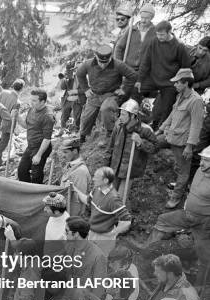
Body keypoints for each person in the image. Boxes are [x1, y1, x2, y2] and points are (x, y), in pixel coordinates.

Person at [144, 146, 210, 286]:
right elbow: (193, 190)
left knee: (204, 257)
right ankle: (145, 254)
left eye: (207, 161)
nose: (202, 163)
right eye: (202, 159)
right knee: (162, 220)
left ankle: (198, 290)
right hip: (188, 214)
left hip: (204, 222)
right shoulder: (200, 170)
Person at [156, 68, 204, 209]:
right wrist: (159, 130)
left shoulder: (196, 101)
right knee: (152, 143)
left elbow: (196, 126)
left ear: (185, 83)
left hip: (182, 142)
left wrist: (189, 146)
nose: (175, 85)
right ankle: (178, 185)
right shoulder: (180, 96)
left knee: (184, 171)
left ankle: (176, 197)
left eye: (177, 83)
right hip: (171, 136)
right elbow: (172, 115)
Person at [135, 20, 191, 128]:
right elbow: (146, 61)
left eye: (162, 35)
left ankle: (160, 129)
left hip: (170, 82)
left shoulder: (179, 46)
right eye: (157, 34)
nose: (159, 37)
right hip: (153, 78)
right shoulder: (154, 42)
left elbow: (186, 68)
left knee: (167, 106)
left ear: (170, 31)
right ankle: (133, 118)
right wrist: (139, 80)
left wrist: (180, 84)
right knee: (134, 89)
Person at [76, 44, 137, 143]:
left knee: (106, 108)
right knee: (86, 117)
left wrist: (124, 89)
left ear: (110, 57)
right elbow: (79, 74)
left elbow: (133, 75)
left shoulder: (118, 65)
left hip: (111, 95)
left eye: (106, 62)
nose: (103, 64)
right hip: (94, 95)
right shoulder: (88, 64)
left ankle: (110, 134)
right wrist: (86, 89)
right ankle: (82, 137)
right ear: (96, 57)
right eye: (101, 62)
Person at [73, 167, 132, 255]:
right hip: (92, 232)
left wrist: (113, 233)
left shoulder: (113, 199)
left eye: (96, 177)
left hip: (103, 238)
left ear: (105, 180)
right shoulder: (96, 190)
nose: (93, 179)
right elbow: (86, 200)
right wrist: (74, 189)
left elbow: (127, 220)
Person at [109, 99, 158, 196]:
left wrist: (141, 142)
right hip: (115, 168)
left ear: (132, 116)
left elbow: (155, 148)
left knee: (120, 198)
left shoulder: (145, 130)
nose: (120, 117)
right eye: (120, 114)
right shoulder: (118, 126)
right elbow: (110, 148)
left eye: (123, 115)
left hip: (129, 170)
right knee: (111, 197)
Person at [16, 88, 55, 183]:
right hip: (31, 146)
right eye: (31, 100)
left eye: (34, 100)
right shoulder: (32, 110)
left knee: (36, 174)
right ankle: (27, 192)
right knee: (22, 171)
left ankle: (37, 194)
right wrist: (17, 116)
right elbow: (26, 125)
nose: (31, 102)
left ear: (43, 102)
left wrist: (38, 155)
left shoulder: (47, 116)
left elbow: (47, 139)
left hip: (41, 147)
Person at [114, 4, 156, 92]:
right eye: (142, 17)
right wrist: (119, 65)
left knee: (138, 94)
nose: (143, 21)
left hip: (144, 72)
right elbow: (119, 47)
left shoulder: (155, 32)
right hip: (128, 68)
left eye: (147, 18)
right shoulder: (132, 30)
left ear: (152, 18)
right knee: (123, 92)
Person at [64, 216, 108, 298]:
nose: (64, 234)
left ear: (76, 234)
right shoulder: (68, 247)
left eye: (67, 231)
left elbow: (99, 289)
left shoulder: (98, 256)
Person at [0, 79, 24, 166]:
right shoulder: (17, 102)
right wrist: (15, 129)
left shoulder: (4, 93)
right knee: (3, 143)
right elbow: (13, 116)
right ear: (21, 89)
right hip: (7, 125)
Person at [59, 138, 90, 217]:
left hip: (72, 215)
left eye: (65, 152)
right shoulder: (70, 166)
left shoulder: (80, 171)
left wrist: (71, 220)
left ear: (75, 151)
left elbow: (77, 200)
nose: (63, 155)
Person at [58, 61, 84, 134]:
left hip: (78, 99)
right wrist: (64, 79)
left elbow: (86, 90)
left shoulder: (84, 77)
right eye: (76, 68)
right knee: (64, 115)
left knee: (77, 116)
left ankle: (77, 131)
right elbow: (62, 87)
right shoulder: (70, 77)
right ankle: (62, 129)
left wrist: (75, 91)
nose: (77, 70)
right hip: (68, 99)